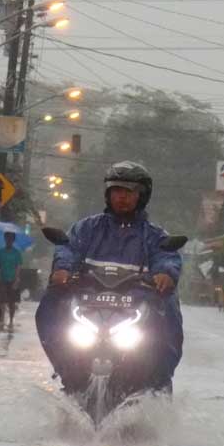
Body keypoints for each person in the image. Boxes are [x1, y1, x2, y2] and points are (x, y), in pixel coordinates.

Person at [35, 161, 183, 389]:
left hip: (136, 305)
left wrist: (165, 274)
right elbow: (69, 248)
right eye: (116, 191)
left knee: (169, 306)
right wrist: (62, 270)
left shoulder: (154, 236)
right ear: (107, 194)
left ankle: (158, 379)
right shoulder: (86, 228)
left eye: (129, 192)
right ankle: (66, 368)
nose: (121, 197)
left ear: (142, 196)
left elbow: (166, 255)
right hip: (88, 301)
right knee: (50, 301)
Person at [0, 231, 24, 329]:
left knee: (12, 302)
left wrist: (16, 279)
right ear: (5, 239)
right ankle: (2, 320)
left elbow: (18, 266)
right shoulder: (0, 252)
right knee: (2, 301)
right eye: (7, 239)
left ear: (13, 240)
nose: (9, 241)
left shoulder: (16, 253)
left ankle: (11, 321)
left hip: (13, 280)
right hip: (2, 279)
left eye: (10, 239)